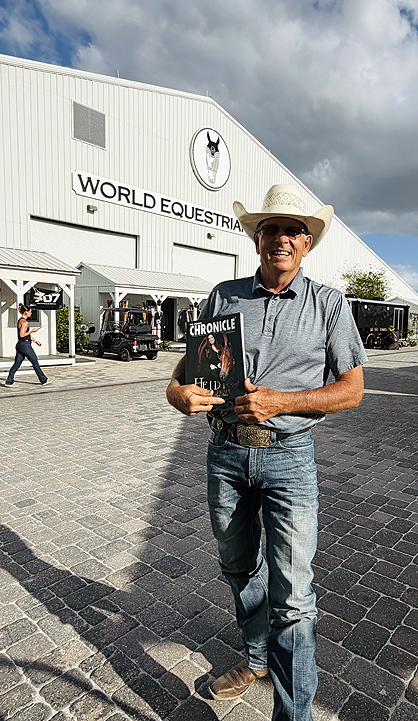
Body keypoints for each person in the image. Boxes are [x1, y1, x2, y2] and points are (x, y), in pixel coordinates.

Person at [166, 184, 367, 721]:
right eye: (270, 229)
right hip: (226, 453)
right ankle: (257, 657)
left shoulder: (329, 304)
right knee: (237, 567)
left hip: (289, 457)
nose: (281, 238)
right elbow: (186, 370)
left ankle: (293, 715)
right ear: (256, 240)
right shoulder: (223, 296)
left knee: (294, 598)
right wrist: (177, 392)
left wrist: (283, 402)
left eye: (292, 231)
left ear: (307, 244)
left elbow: (352, 390)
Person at [5, 304, 53, 387]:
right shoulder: (24, 322)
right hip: (25, 345)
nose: (31, 313)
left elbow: (25, 335)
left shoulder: (20, 321)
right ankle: (44, 380)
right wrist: (31, 331)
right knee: (35, 362)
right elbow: (22, 335)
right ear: (26, 312)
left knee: (16, 364)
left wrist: (35, 341)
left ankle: (9, 381)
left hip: (20, 345)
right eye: (30, 312)